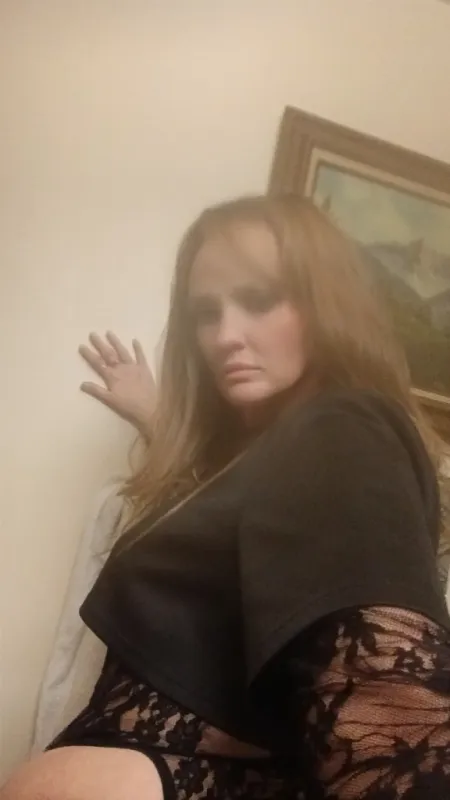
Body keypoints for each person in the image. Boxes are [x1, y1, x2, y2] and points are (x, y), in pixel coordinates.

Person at [3, 194, 450, 800]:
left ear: (326, 303)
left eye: (259, 301)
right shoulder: (282, 456)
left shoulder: (343, 431)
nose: (224, 336)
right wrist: (161, 421)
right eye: (204, 313)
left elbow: (396, 728)